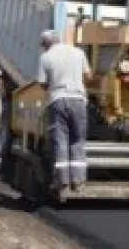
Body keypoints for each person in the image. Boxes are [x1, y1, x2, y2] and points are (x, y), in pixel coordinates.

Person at [37, 29, 93, 192]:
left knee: (61, 141)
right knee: (78, 140)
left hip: (58, 100)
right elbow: (88, 76)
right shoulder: (78, 52)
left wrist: (54, 82)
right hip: (78, 100)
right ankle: (78, 181)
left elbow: (42, 83)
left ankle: (62, 181)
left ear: (46, 43)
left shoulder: (45, 57)